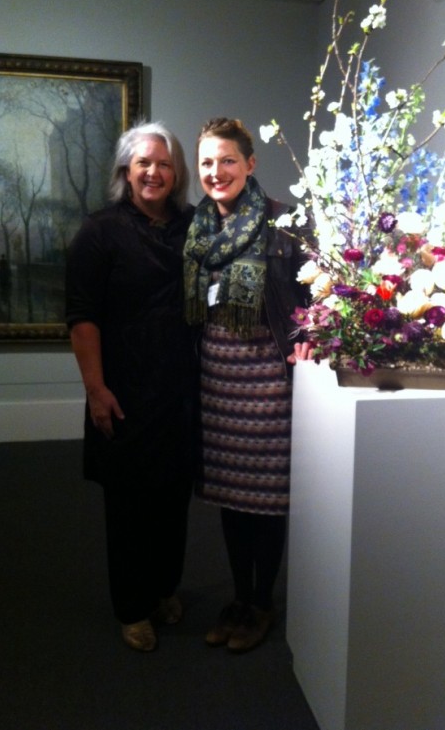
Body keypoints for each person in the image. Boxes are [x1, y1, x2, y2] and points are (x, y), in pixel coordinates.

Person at [65, 121, 196, 652]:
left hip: (181, 388)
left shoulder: (193, 225)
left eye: (165, 164)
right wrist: (95, 389)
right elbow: (82, 319)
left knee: (172, 499)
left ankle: (164, 589)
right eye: (144, 162)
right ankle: (131, 607)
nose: (155, 172)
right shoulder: (99, 232)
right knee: (129, 506)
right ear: (126, 170)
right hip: (123, 387)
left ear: (176, 173)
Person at [184, 117, 312, 653]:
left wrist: (309, 338)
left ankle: (261, 601)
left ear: (250, 164)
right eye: (208, 162)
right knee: (233, 501)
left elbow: (317, 293)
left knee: (268, 501)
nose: (217, 172)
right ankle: (239, 596)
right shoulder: (196, 228)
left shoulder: (285, 224)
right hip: (216, 379)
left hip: (268, 382)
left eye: (228, 160)